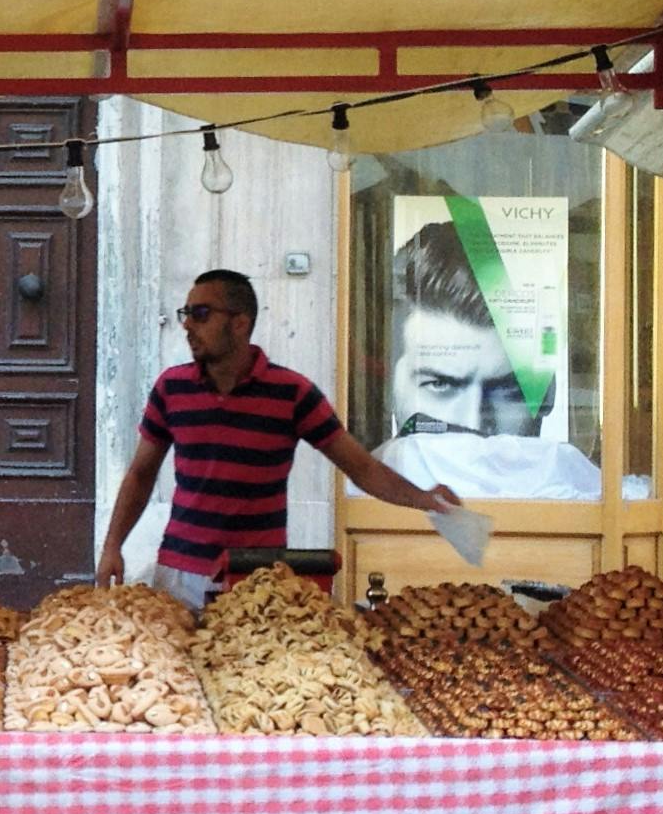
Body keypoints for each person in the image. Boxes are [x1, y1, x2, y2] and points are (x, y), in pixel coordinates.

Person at [96, 268, 462, 609]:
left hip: (257, 577)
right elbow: (141, 474)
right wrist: (113, 546)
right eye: (186, 313)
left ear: (240, 323)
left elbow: (361, 467)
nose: (188, 325)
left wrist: (424, 499)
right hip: (180, 573)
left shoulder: (292, 393)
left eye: (202, 314)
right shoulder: (171, 388)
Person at [378, 220, 600, 502]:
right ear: (388, 390)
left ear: (549, 392)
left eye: (507, 391)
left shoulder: (590, 497)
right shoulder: (351, 497)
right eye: (439, 384)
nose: (474, 423)